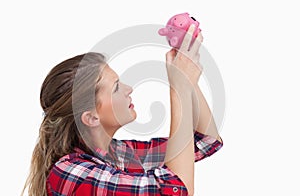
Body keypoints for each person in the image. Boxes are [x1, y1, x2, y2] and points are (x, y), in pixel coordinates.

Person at [22, 25, 223, 196]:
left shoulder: (120, 154)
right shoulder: (71, 173)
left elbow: (206, 141)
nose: (129, 89)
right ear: (91, 117)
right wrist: (178, 89)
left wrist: (187, 78)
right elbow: (178, 190)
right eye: (116, 87)